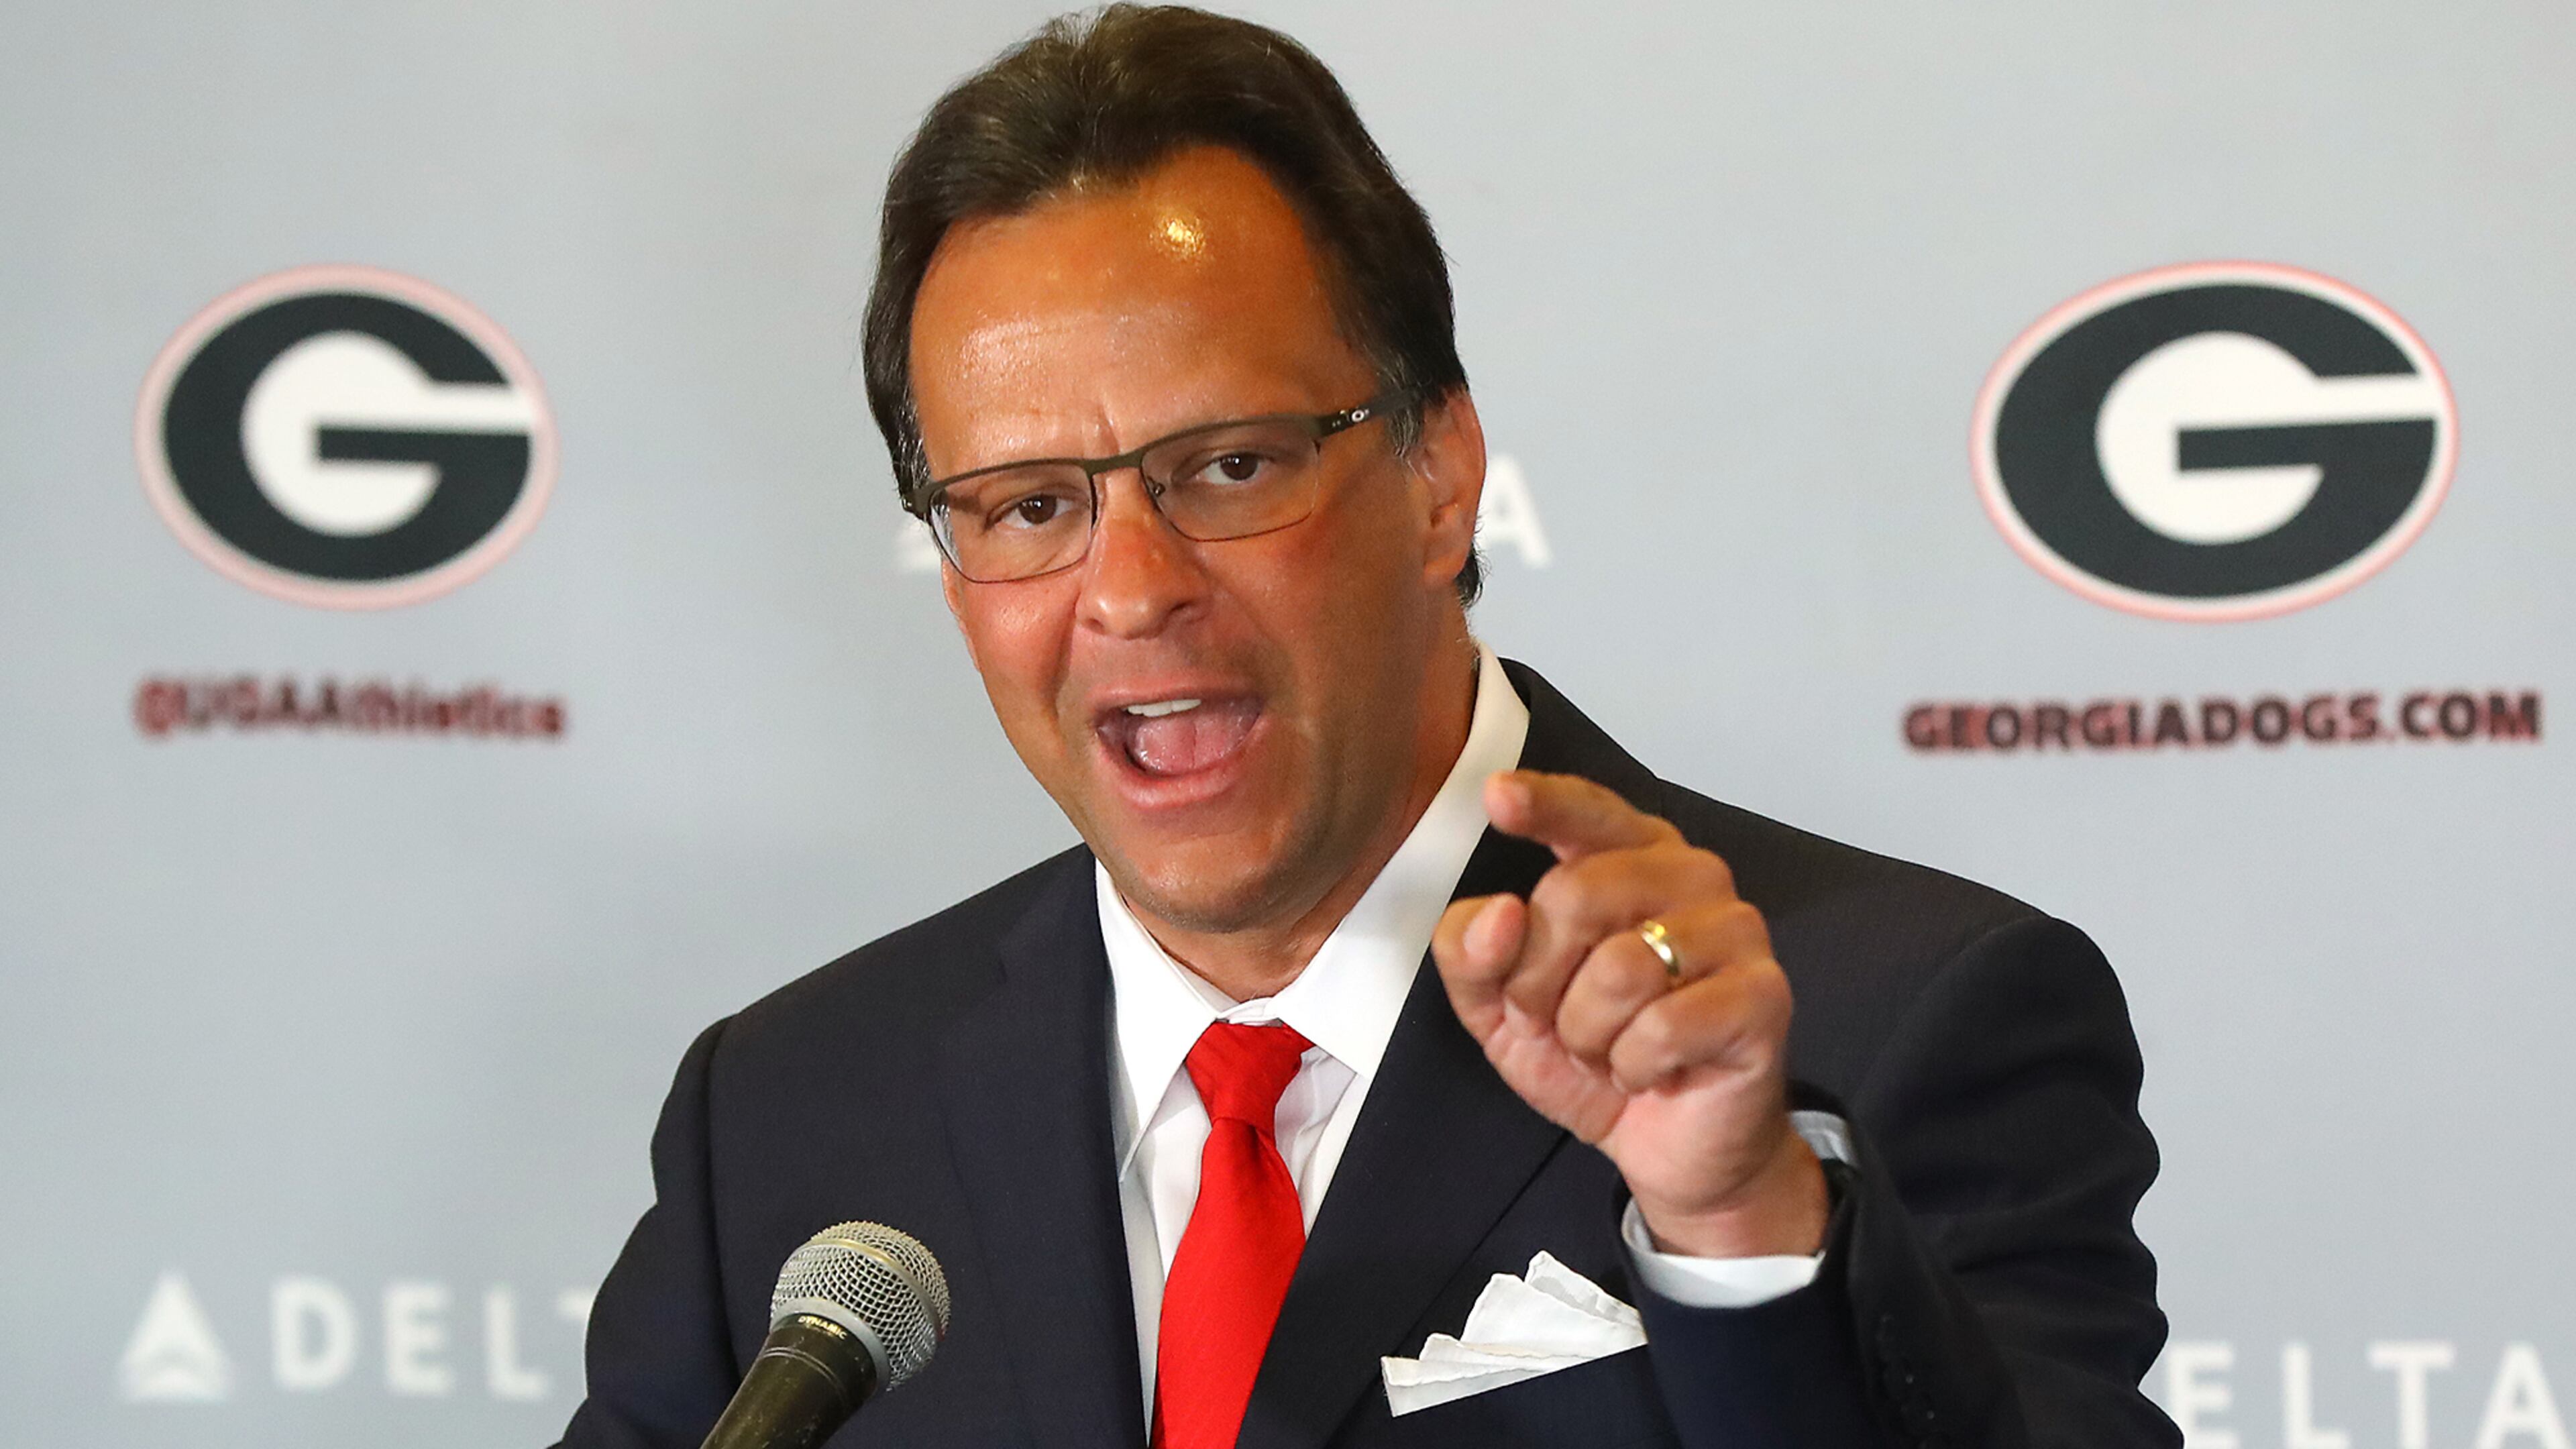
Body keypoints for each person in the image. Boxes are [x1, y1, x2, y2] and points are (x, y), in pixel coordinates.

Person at [555, 7, 2177, 1447]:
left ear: (1442, 473)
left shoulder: (1892, 1023)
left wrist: (1741, 1222)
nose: (1130, 592)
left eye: (1230, 466)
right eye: (1029, 505)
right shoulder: (791, 1115)